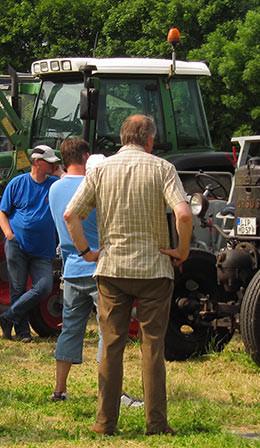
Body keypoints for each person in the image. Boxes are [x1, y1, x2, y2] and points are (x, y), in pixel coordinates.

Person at [64, 114, 192, 436]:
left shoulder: (100, 170)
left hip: (112, 268)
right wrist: (183, 250)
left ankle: (105, 423)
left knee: (111, 346)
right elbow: (184, 213)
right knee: (152, 347)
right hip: (154, 270)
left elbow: (71, 214)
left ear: (122, 138)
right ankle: (157, 424)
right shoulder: (163, 168)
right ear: (149, 140)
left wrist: (87, 253)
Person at [48, 138, 143, 408]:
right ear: (87, 157)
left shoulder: (54, 190)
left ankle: (60, 390)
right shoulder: (95, 185)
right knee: (109, 332)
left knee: (70, 330)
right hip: (98, 266)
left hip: (71, 268)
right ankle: (113, 394)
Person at [0, 145, 64, 342]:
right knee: (18, 289)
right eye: (50, 162)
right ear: (37, 162)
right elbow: (3, 211)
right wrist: (9, 234)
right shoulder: (17, 183)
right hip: (16, 245)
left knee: (44, 287)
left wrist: (60, 171)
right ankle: (22, 332)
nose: (54, 165)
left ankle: (8, 316)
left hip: (42, 250)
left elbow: (73, 183)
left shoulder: (54, 184)